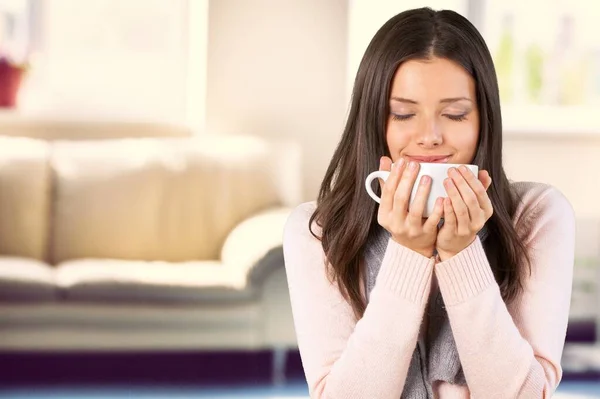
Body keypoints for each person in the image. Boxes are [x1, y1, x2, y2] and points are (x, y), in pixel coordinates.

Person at [282, 7, 575, 399]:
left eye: (455, 114)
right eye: (403, 114)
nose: (430, 136)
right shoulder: (317, 233)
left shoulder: (538, 215)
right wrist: (408, 253)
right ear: (375, 122)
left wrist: (462, 254)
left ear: (483, 122)